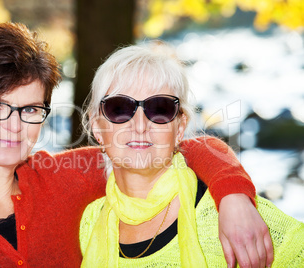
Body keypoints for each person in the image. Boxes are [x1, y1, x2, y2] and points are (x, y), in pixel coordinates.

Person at [0, 23, 270, 267]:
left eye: (29, 108)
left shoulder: (64, 177)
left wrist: (234, 196)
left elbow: (168, 145)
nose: (13, 125)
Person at [79, 41, 304, 267]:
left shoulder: (234, 219)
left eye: (160, 109)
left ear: (179, 127)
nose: (140, 125)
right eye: (119, 109)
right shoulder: (90, 222)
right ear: (96, 126)